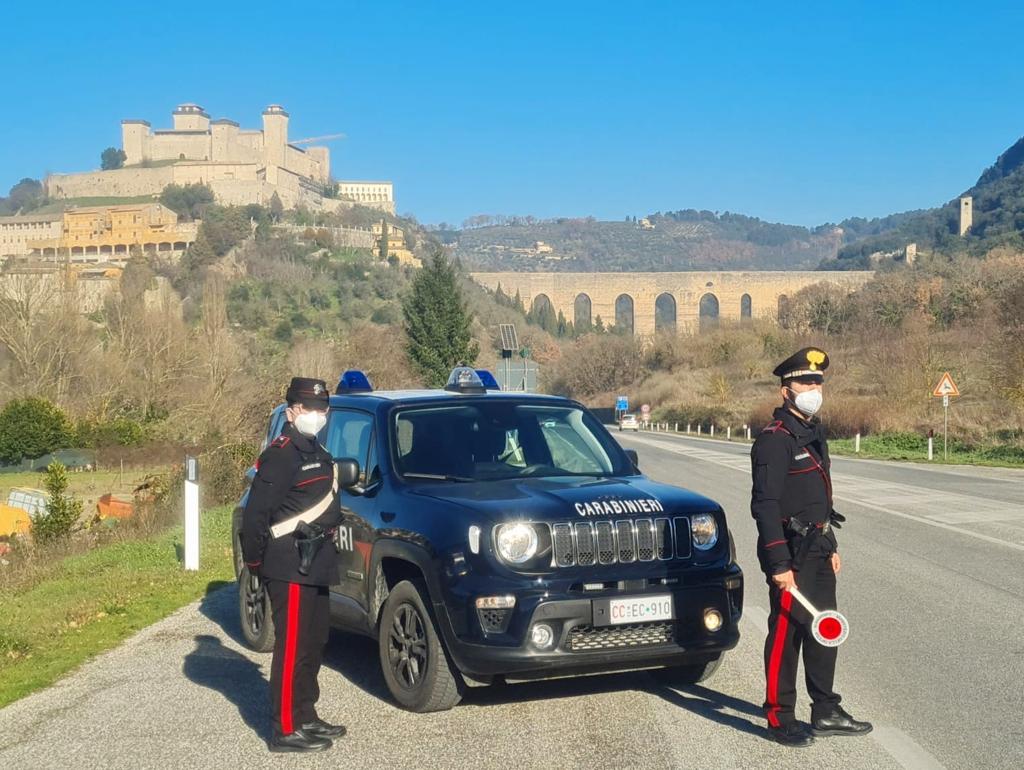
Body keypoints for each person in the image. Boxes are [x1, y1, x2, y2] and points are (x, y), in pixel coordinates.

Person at [750, 348, 872, 747]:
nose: (813, 389)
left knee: (824, 629)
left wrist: (830, 541)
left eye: (817, 382)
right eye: (805, 382)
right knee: (787, 635)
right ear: (786, 390)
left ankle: (825, 710)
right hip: (791, 551)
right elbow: (765, 505)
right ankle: (779, 716)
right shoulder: (774, 440)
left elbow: (821, 497)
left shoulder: (812, 433)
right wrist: (778, 563)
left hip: (818, 546)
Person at [241, 377, 346, 753]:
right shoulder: (281, 454)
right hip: (289, 566)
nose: (315, 415)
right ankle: (284, 728)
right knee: (291, 647)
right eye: (308, 408)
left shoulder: (317, 451)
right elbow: (256, 517)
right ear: (291, 410)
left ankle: (305, 715)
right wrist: (255, 562)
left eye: (321, 409)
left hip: (317, 561)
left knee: (314, 642)